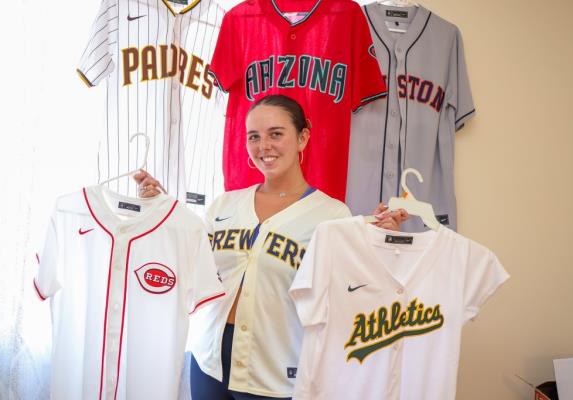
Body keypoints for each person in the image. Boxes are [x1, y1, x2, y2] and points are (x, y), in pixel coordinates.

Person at [134, 94, 407, 400]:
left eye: (276, 134)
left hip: (276, 367)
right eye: (254, 136)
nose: (263, 146)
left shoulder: (332, 215)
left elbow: (354, 290)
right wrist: (160, 208)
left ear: (302, 137)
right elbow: (187, 260)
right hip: (208, 359)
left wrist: (385, 243)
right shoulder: (224, 205)